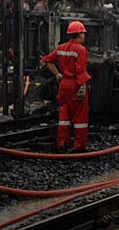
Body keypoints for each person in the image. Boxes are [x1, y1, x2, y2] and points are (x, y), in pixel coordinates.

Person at [40, 21, 92, 153]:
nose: (84, 35)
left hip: (63, 85)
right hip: (75, 84)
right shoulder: (81, 50)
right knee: (80, 118)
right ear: (79, 34)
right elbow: (80, 70)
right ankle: (79, 146)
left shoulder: (61, 48)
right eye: (83, 33)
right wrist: (82, 86)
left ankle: (62, 143)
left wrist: (58, 75)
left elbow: (47, 60)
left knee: (64, 116)